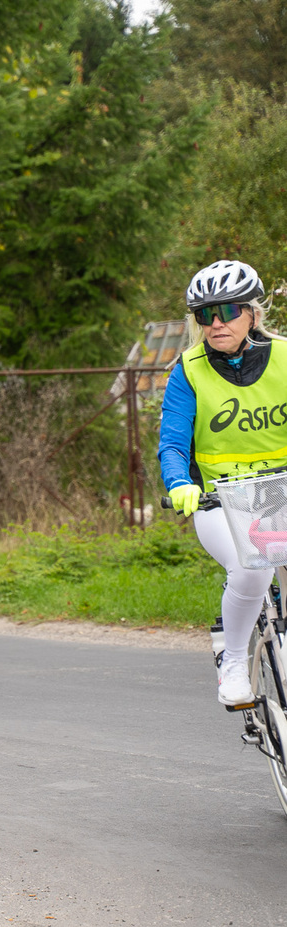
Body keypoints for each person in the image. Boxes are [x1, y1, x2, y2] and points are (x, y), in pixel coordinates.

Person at [160, 259, 285, 706]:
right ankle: (232, 661)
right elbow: (173, 443)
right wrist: (179, 482)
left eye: (228, 311)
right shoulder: (188, 370)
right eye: (205, 314)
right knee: (254, 568)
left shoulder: (285, 357)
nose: (216, 323)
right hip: (221, 500)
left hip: (280, 493)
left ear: (253, 313)